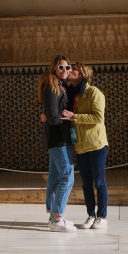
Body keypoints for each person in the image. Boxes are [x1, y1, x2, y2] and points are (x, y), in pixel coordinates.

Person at [37, 55, 76, 233]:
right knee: (67, 176)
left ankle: (54, 216)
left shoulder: (60, 86)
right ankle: (57, 216)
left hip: (58, 138)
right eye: (61, 67)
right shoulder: (51, 88)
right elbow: (53, 117)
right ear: (54, 68)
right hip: (58, 138)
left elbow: (51, 115)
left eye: (67, 67)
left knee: (54, 178)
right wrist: (68, 118)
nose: (65, 71)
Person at [67, 63, 109, 229]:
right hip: (81, 145)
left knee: (99, 181)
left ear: (82, 74)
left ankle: (102, 216)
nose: (70, 71)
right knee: (86, 182)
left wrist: (75, 117)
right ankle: (91, 215)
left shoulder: (93, 92)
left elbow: (98, 117)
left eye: (74, 69)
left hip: (96, 145)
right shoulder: (72, 94)